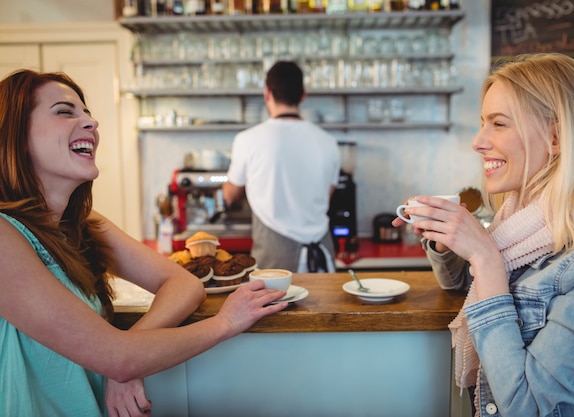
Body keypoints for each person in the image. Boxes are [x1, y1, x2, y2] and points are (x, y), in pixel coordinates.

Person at [0, 69, 288, 417]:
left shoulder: (84, 224)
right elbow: (118, 358)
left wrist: (128, 354)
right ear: (15, 134)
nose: (91, 123)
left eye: (87, 113)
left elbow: (182, 282)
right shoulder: (5, 236)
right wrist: (224, 323)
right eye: (65, 111)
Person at [393, 53, 574, 416]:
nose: (478, 142)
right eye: (482, 123)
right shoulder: (522, 222)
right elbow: (468, 287)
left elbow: (527, 405)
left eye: (498, 124)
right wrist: (446, 242)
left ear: (557, 136)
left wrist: (485, 257)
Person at [223, 61, 340, 273]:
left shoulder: (247, 140)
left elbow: (230, 195)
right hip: (322, 255)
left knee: (277, 307)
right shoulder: (328, 141)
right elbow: (326, 197)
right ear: (302, 95)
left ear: (267, 94)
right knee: (325, 306)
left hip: (274, 260)